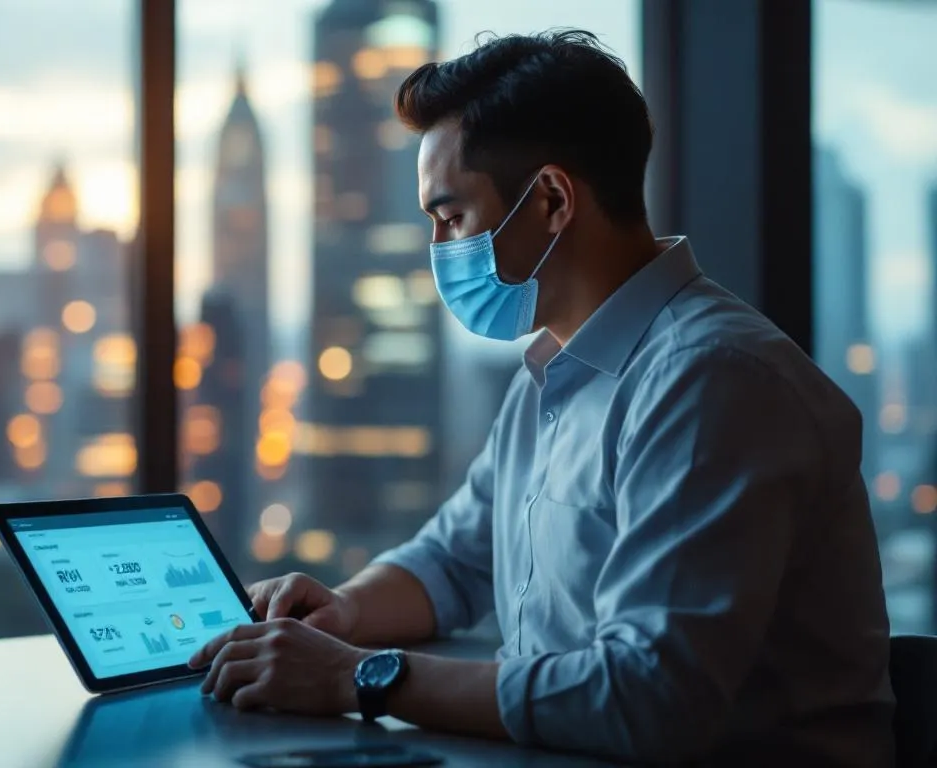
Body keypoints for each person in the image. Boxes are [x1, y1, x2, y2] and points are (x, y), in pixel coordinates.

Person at [188, 29, 894, 765]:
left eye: (451, 216)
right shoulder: (555, 373)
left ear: (552, 199)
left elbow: (649, 696)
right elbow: (454, 561)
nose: (437, 246)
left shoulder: (711, 380)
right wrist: (347, 611)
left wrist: (358, 677)